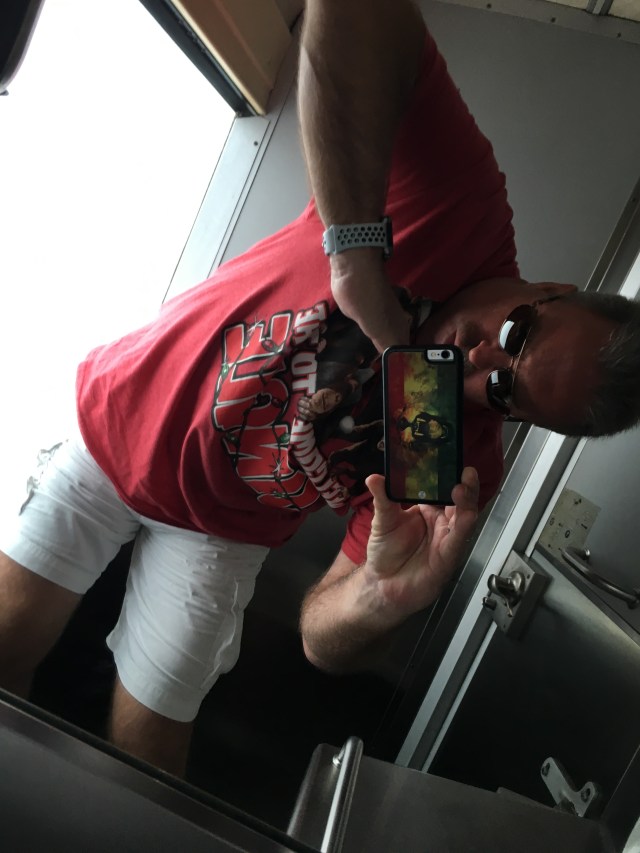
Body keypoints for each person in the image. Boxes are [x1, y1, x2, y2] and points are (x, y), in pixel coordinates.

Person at [1, 0, 639, 779]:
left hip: (224, 532)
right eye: (518, 333)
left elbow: (319, 637)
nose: (478, 364)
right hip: (121, 421)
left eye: (506, 393)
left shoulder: (445, 450)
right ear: (551, 288)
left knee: (149, 766)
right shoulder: (459, 212)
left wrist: (379, 596)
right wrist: (357, 256)